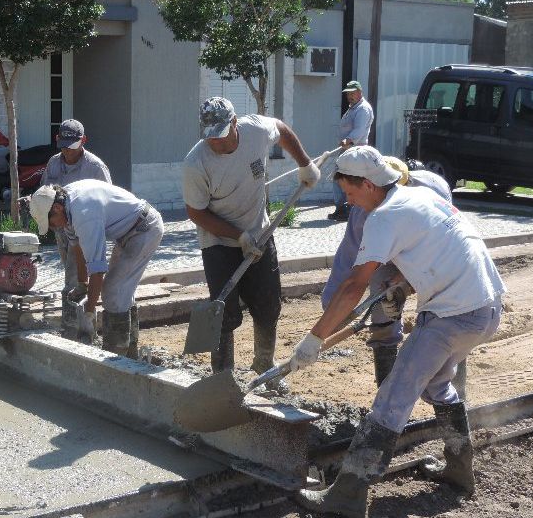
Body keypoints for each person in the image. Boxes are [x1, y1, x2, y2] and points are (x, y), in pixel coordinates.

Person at [289, 145, 505, 518]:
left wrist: (315, 338)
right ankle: (459, 465)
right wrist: (402, 283)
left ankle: (348, 493)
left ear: (370, 184)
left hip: (452, 314)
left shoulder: (385, 217)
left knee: (392, 400)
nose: (351, 203)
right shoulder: (419, 196)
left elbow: (354, 285)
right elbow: (444, 248)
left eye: (352, 194)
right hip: (487, 306)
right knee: (437, 383)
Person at [183, 96, 322, 394]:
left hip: (260, 235)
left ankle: (265, 369)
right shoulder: (196, 163)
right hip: (219, 243)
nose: (216, 144)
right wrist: (238, 237)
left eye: (221, 135)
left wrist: (305, 164)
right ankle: (222, 380)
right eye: (210, 137)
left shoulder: (256, 130)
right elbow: (196, 213)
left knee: (268, 306)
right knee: (223, 314)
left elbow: (282, 130)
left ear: (235, 123)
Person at [321, 152, 452, 388]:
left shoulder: (433, 191)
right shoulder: (363, 214)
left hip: (431, 252)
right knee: (383, 310)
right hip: (387, 256)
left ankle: (455, 392)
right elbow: (348, 263)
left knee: (447, 322)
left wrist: (406, 282)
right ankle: (386, 389)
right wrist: (333, 312)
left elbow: (441, 248)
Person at [28, 180, 163, 358]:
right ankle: (130, 353)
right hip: (129, 231)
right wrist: (82, 284)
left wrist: (90, 311)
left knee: (113, 291)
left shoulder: (84, 215)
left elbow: (98, 270)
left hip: (145, 229)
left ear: (57, 209)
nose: (54, 228)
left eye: (51, 223)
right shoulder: (66, 205)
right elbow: (79, 250)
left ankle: (117, 355)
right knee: (121, 292)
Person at [40, 119, 112, 294]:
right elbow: (45, 192)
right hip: (61, 229)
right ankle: (81, 297)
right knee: (70, 269)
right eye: (64, 145)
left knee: (74, 275)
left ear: (83, 141)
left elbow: (108, 202)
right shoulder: (53, 163)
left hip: (84, 229)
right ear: (57, 139)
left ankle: (74, 310)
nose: (68, 150)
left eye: (72, 145)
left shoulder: (95, 167)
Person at [329, 80, 374, 222]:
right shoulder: (353, 107)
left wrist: (348, 140)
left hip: (355, 150)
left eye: (353, 93)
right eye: (348, 94)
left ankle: (347, 208)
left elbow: (359, 130)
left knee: (346, 179)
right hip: (347, 150)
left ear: (360, 92)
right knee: (339, 178)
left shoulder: (363, 109)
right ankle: (342, 208)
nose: (350, 96)